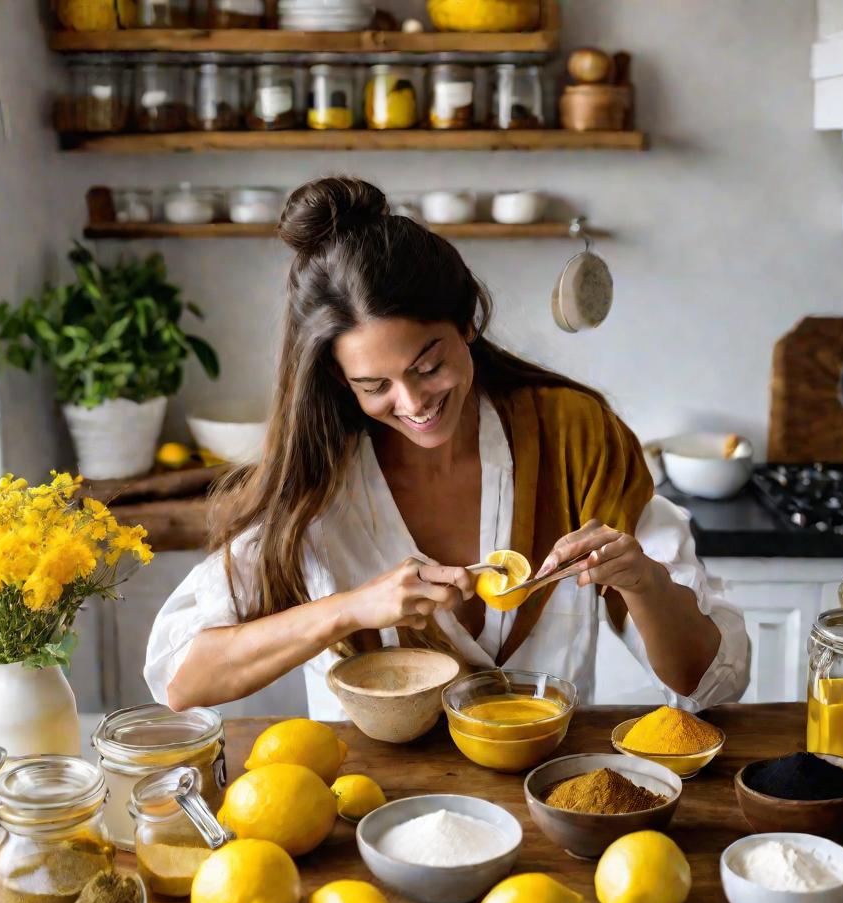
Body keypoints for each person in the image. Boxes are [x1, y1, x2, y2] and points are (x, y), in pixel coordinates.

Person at [144, 177, 749, 718]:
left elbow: (711, 682)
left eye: (428, 366)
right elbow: (181, 678)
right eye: (374, 386)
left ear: (467, 323)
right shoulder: (317, 473)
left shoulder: (574, 436)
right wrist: (351, 609)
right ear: (337, 381)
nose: (412, 403)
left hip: (545, 798)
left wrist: (643, 581)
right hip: (361, 811)